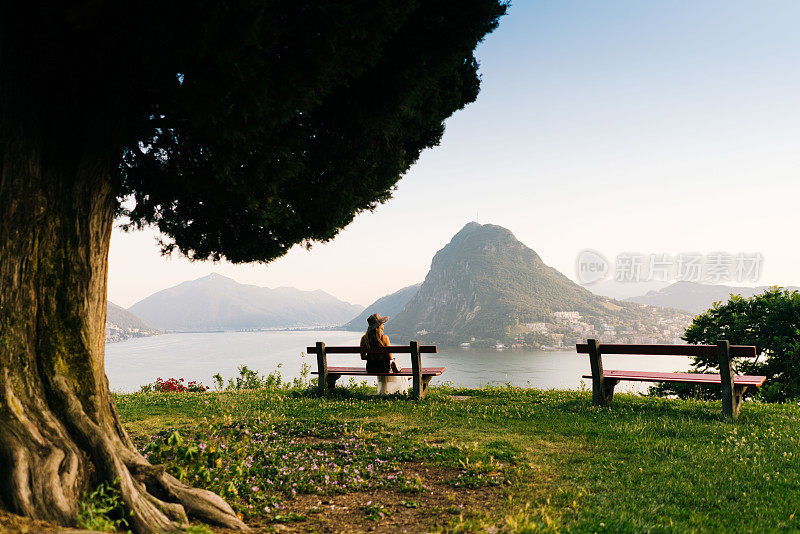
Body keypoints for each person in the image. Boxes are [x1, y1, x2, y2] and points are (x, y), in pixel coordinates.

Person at [360, 313, 408, 395]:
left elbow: (363, 357)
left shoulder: (364, 339)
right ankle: (405, 379)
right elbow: (389, 357)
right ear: (378, 325)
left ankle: (385, 391)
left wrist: (373, 358)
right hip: (384, 368)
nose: (384, 323)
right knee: (395, 365)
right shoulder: (384, 338)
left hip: (371, 368)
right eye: (382, 322)